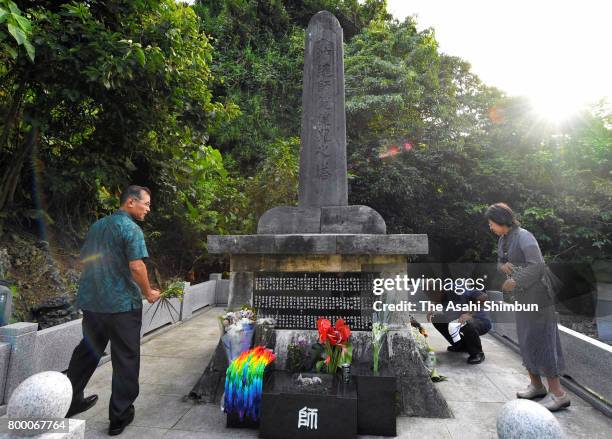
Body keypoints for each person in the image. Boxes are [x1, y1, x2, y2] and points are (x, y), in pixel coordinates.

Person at [65, 185, 161, 435]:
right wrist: (149, 292)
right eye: (146, 204)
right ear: (130, 202)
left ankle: (70, 400)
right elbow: (136, 266)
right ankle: (119, 416)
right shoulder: (131, 229)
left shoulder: (97, 226)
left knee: (88, 350)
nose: (148, 209)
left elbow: (86, 258)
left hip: (93, 302)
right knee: (125, 357)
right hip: (122, 306)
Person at [485, 202, 569, 411]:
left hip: (539, 297)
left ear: (502, 220)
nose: (490, 227)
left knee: (543, 340)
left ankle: (558, 394)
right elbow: (500, 262)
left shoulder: (524, 236)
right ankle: (536, 385)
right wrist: (502, 266)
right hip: (522, 298)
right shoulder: (503, 240)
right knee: (526, 338)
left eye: (491, 223)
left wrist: (515, 280)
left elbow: (537, 265)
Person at [429, 289, 491, 364]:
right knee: (436, 317)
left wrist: (470, 314)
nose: (430, 297)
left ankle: (477, 353)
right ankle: (461, 346)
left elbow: (483, 296)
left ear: (440, 290)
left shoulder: (456, 290)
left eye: (431, 294)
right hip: (459, 321)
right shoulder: (441, 298)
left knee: (466, 322)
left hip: (480, 321)